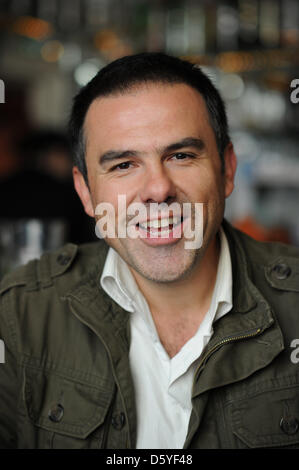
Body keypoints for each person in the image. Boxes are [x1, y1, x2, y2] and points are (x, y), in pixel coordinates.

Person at [0, 52, 299, 450]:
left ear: (227, 169)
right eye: (123, 165)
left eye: (181, 156)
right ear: (86, 192)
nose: (158, 189)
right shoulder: (20, 315)